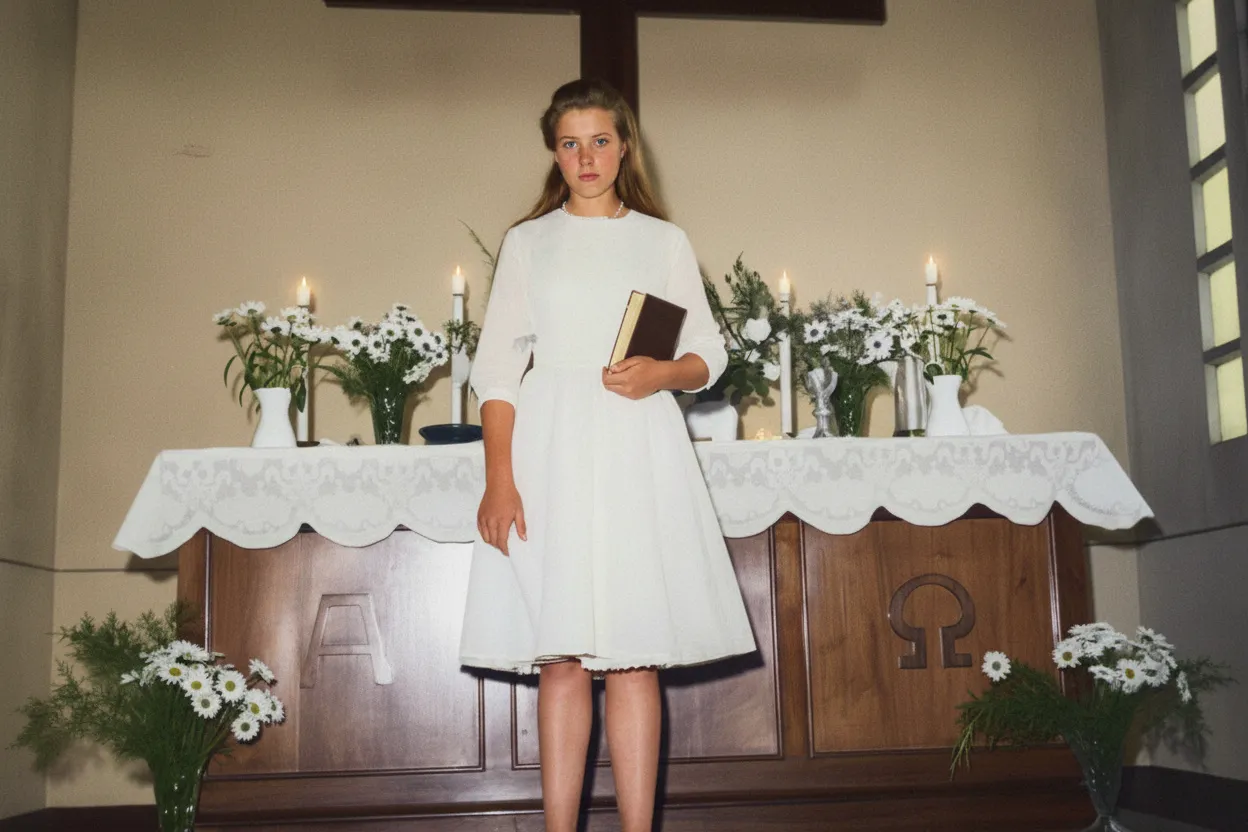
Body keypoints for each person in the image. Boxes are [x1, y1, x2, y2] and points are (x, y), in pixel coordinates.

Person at [459, 78, 756, 832]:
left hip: (634, 447)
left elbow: (708, 353)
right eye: (569, 143)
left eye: (599, 140)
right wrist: (501, 480)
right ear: (553, 154)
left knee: (632, 656)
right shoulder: (530, 242)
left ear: (624, 146)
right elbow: (496, 370)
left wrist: (665, 373)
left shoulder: (663, 241)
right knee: (559, 658)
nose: (586, 157)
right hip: (549, 446)